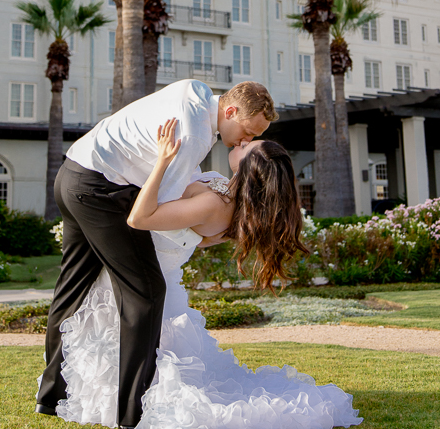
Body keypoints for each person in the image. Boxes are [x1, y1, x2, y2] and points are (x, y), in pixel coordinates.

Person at [53, 119, 363, 428]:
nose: (241, 142)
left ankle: (130, 405)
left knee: (147, 352)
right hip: (140, 264)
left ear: (247, 169)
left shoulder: (217, 204)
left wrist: (162, 161)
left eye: (246, 147)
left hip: (143, 269)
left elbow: (140, 217)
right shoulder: (226, 194)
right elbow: (194, 237)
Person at [36, 78, 276, 429]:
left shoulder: (193, 91)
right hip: (102, 191)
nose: (246, 141)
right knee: (147, 292)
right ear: (229, 111)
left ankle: (51, 397)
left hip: (72, 173)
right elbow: (160, 207)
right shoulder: (194, 135)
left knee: (72, 290)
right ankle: (130, 412)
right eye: (247, 132)